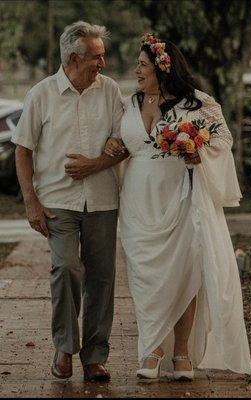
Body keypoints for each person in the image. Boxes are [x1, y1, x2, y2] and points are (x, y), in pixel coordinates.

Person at [105, 33, 251, 380]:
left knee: (186, 273)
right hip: (139, 202)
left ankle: (181, 353)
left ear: (161, 67)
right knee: (146, 278)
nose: (137, 70)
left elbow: (222, 140)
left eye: (142, 65)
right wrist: (113, 141)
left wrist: (196, 151)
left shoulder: (197, 104)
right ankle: (152, 348)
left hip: (182, 198)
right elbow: (118, 138)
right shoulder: (128, 104)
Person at [12, 21, 128, 382]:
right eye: (97, 57)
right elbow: (22, 149)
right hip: (57, 201)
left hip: (103, 199)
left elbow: (124, 140)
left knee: (102, 278)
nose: (102, 64)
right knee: (66, 269)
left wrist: (99, 161)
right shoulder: (41, 94)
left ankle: (95, 356)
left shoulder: (110, 91)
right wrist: (30, 200)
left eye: (102, 56)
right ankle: (65, 346)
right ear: (75, 58)